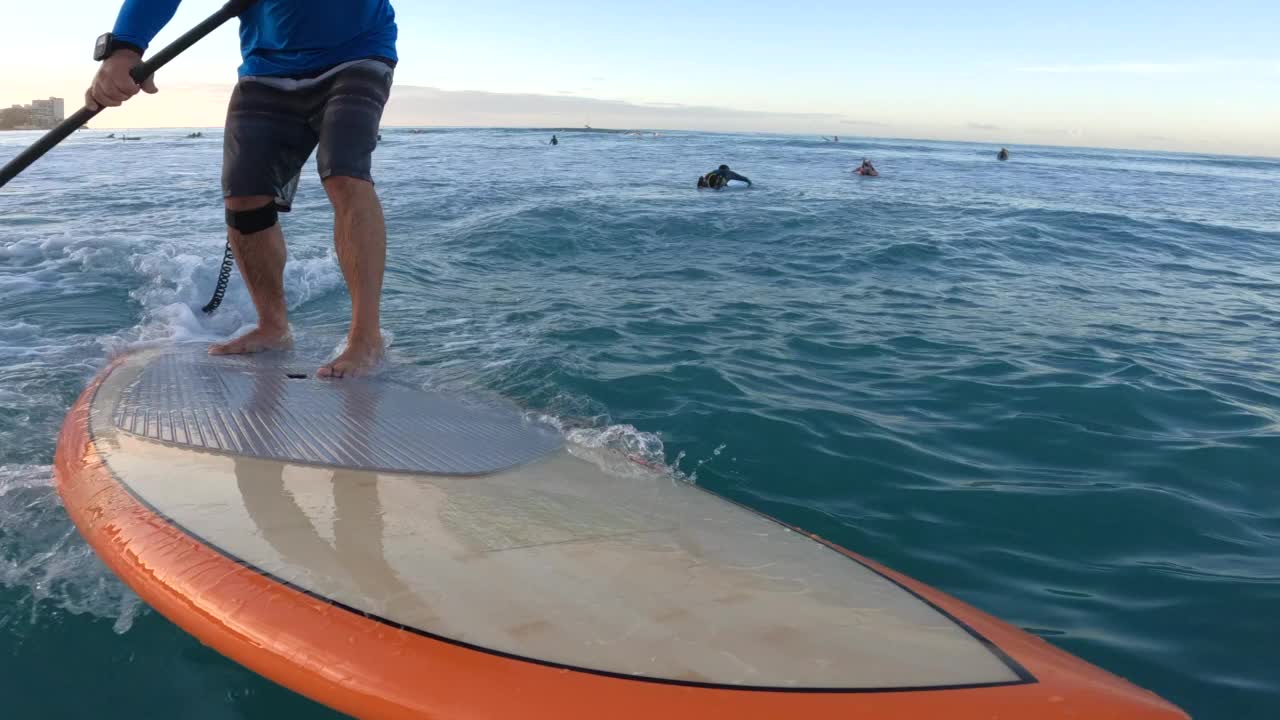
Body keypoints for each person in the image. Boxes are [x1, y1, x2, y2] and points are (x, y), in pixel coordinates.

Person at [86, 0, 398, 378]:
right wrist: (124, 49)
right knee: (244, 198)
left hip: (357, 55)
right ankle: (273, 327)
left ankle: (366, 339)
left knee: (344, 174)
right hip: (266, 68)